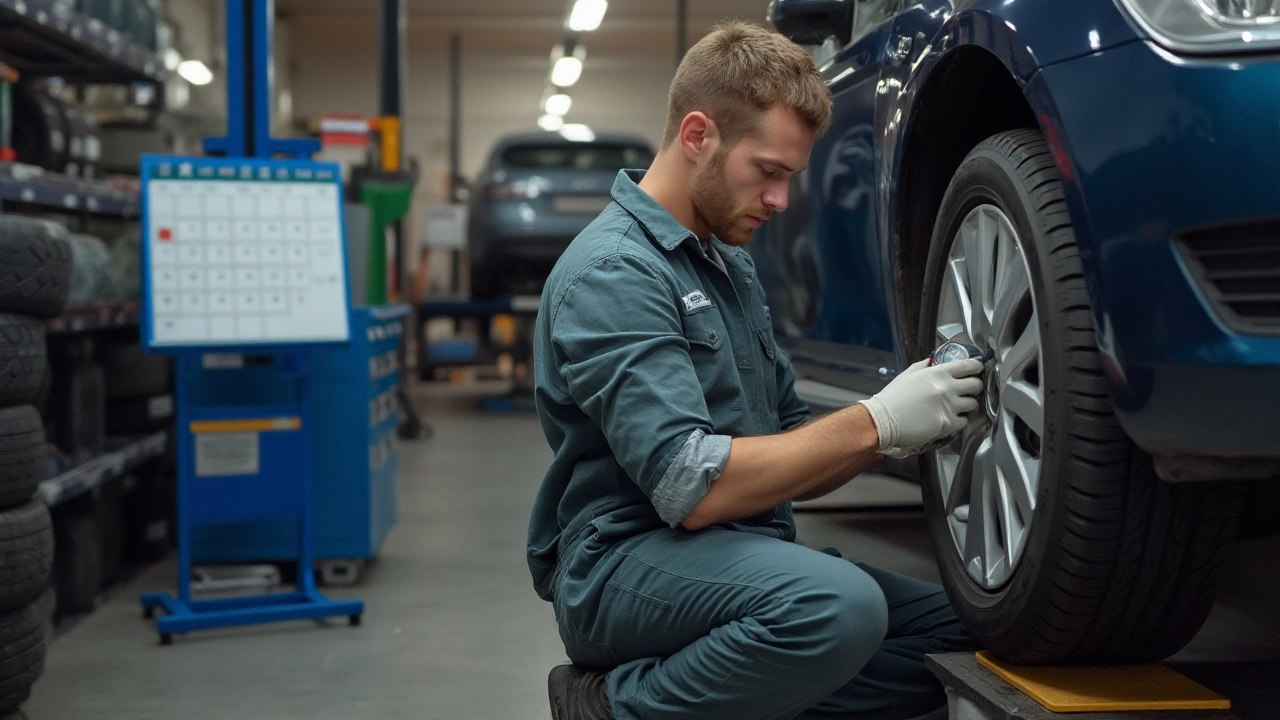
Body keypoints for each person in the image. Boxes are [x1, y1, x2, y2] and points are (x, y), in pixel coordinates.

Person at [528, 21, 985, 720]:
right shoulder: (615, 271)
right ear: (697, 136)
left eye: (790, 177)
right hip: (625, 564)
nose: (781, 201)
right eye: (767, 172)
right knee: (835, 608)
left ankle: (732, 696)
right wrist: (876, 422)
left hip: (732, 550)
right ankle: (613, 708)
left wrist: (905, 423)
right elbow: (691, 487)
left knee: (958, 635)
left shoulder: (725, 265)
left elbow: (794, 439)